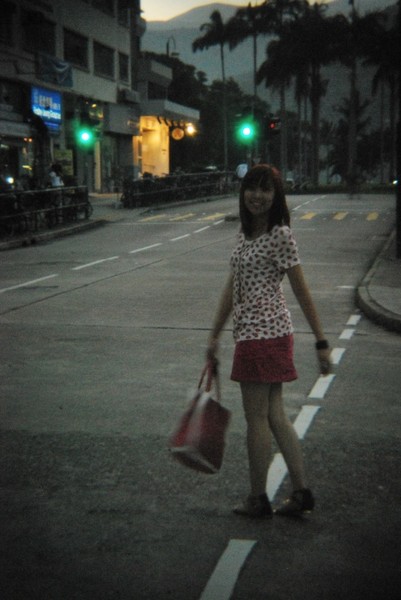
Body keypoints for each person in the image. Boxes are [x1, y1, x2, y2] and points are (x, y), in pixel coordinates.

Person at [207, 164, 331, 519]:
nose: (257, 196)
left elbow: (301, 289)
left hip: (262, 335)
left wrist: (321, 341)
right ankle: (302, 492)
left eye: (266, 190)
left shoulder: (280, 235)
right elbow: (232, 287)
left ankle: (257, 498)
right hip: (260, 334)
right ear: (243, 192)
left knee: (256, 420)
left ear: (277, 197)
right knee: (274, 415)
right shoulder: (246, 234)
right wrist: (214, 333)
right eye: (252, 188)